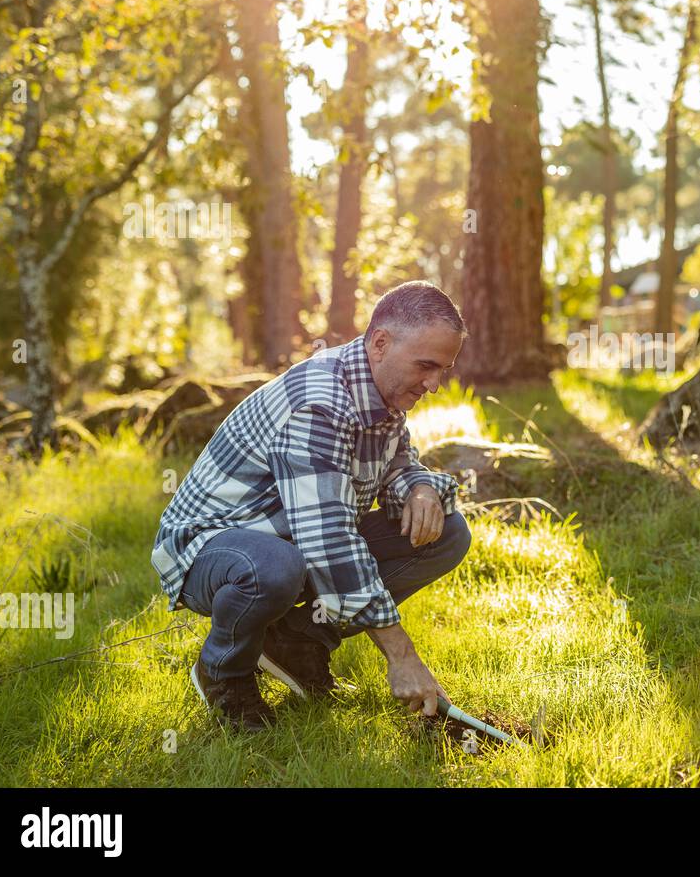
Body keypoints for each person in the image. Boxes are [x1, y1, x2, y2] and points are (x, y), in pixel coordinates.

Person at [151, 281, 471, 731]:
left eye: (443, 369)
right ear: (380, 343)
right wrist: (402, 656)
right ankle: (223, 672)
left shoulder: (382, 389)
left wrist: (420, 488)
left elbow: (398, 460)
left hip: (293, 544)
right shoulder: (319, 403)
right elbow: (329, 541)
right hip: (211, 548)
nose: (435, 384)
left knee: (448, 533)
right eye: (426, 366)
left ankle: (298, 644)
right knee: (275, 567)